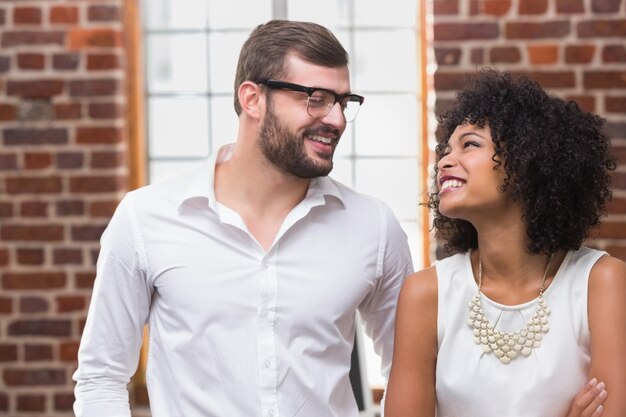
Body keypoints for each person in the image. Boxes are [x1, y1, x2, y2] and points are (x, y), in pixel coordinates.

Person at [72, 19, 413, 417]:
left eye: (343, 101)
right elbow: (101, 377)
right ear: (253, 99)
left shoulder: (374, 226)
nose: (336, 119)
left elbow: (412, 372)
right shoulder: (145, 219)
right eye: (316, 98)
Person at [384, 69, 626, 417]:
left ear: (527, 161)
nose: (446, 161)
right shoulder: (426, 294)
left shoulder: (601, 282)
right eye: (445, 149)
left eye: (469, 144)